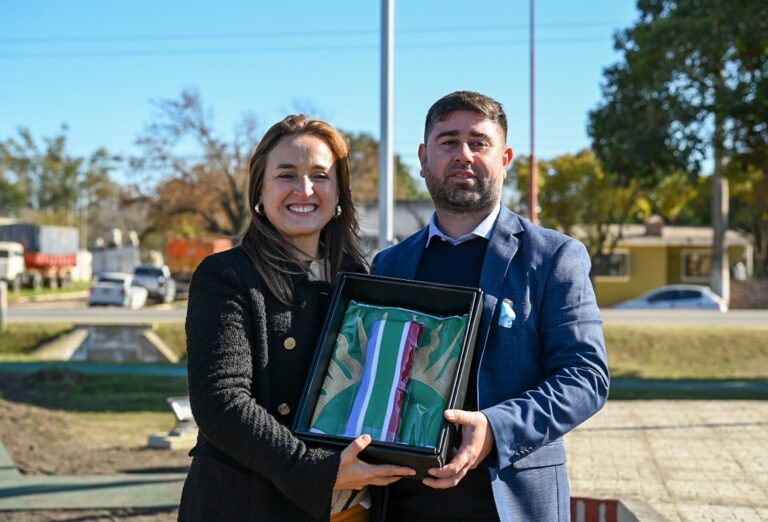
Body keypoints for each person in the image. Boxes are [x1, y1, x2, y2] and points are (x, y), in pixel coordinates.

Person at [371, 91, 610, 521]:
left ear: (505, 159)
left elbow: (586, 378)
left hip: (511, 505)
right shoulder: (388, 264)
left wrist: (496, 430)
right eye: (448, 142)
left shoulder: (555, 257)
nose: (463, 154)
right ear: (424, 159)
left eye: (479, 142)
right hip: (404, 506)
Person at [179, 114, 414, 522]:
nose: (304, 190)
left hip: (354, 509)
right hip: (249, 505)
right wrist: (315, 469)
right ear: (260, 190)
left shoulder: (363, 280)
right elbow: (220, 401)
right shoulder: (226, 276)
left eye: (320, 175)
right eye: (286, 174)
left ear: (338, 192)